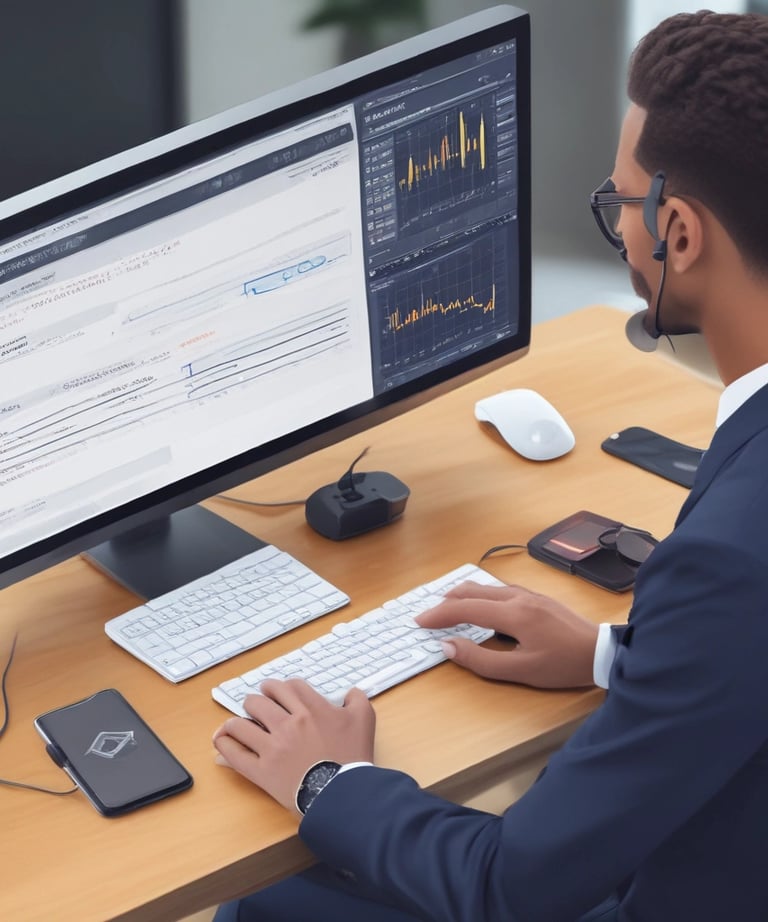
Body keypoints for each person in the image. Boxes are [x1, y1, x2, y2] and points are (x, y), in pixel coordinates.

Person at [212, 11, 768, 920]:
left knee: (265, 903)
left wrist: (325, 777)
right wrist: (610, 656)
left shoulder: (734, 557)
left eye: (624, 204)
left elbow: (505, 889)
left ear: (678, 230)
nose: (622, 229)